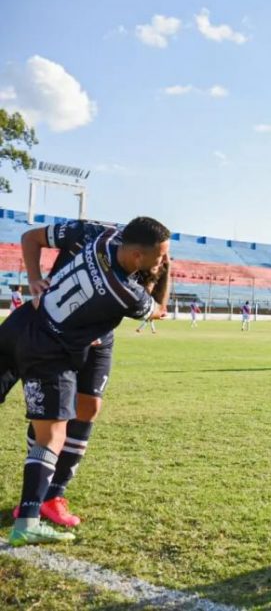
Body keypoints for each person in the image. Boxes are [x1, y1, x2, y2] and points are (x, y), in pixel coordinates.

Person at [7, 217, 169, 546]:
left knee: (85, 408)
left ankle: (51, 496)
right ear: (138, 255)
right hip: (51, 337)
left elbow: (31, 237)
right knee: (50, 428)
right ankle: (31, 508)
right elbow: (158, 309)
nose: (163, 260)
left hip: (85, 336)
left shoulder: (100, 232)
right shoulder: (125, 290)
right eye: (161, 255)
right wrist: (35, 278)